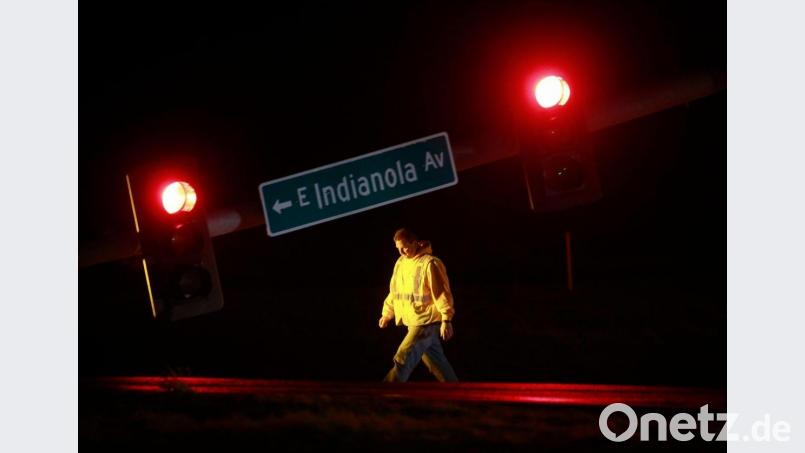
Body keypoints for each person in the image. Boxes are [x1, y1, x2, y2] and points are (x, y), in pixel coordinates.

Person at [379, 228, 458, 382]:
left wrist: (446, 319)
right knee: (438, 363)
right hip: (414, 321)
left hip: (425, 323)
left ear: (414, 243)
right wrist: (387, 313)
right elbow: (395, 291)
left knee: (403, 359)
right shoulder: (401, 263)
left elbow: (441, 293)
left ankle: (384, 392)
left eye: (404, 247)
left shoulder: (430, 263)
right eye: (398, 248)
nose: (401, 252)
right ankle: (458, 391)